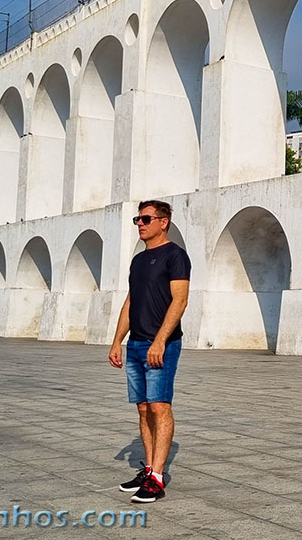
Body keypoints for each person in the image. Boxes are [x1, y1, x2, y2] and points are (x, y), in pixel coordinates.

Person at [109, 200, 190, 504]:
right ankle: (148, 469)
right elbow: (131, 302)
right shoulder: (138, 261)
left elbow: (179, 301)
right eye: (137, 219)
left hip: (163, 345)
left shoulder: (175, 256)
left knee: (159, 407)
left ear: (163, 222)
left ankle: (157, 477)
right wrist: (118, 340)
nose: (140, 224)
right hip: (136, 344)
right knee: (143, 408)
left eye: (145, 218)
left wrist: (160, 340)